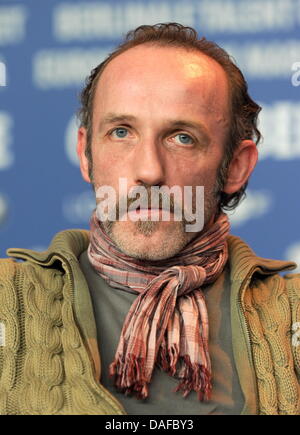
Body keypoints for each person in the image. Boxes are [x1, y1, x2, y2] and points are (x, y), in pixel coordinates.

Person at [0, 22, 299, 416]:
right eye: (122, 132)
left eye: (182, 137)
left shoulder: (292, 313)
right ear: (86, 154)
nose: (149, 170)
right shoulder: (8, 300)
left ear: (236, 167)